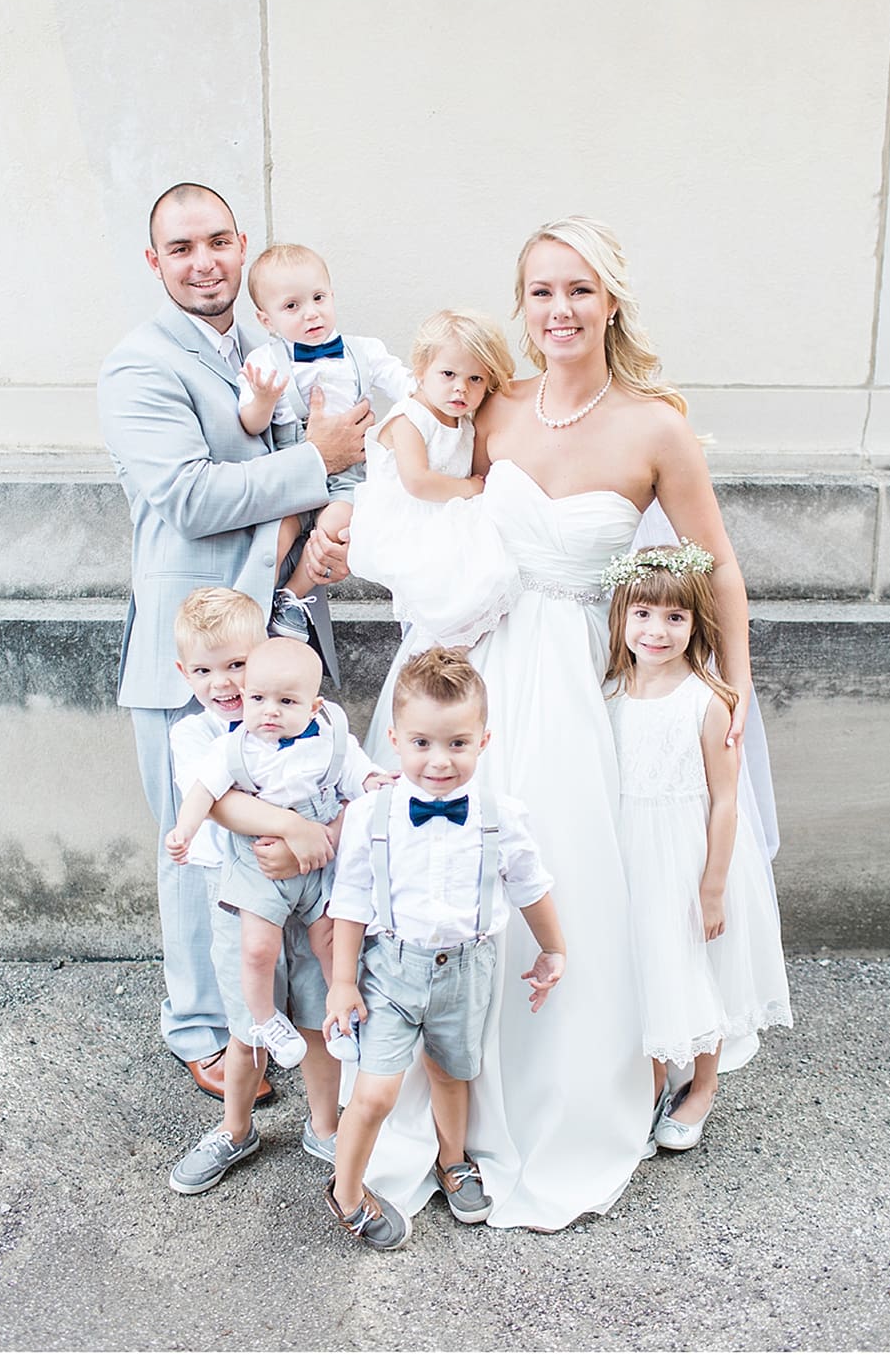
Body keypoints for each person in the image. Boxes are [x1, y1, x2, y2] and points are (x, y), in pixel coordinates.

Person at [358, 215, 761, 1231]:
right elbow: (413, 493)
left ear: (611, 301)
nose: (559, 309)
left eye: (579, 289)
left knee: (575, 869)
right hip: (481, 670)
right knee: (459, 861)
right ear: (522, 305)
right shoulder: (491, 408)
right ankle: (449, 1098)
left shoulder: (655, 427)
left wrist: (736, 684)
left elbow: (714, 564)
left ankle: (574, 1086)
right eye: (541, 291)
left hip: (586, 678)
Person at [98, 182, 373, 1103]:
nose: (204, 261)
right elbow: (191, 498)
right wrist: (316, 461)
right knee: (197, 847)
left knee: (290, 827)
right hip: (196, 654)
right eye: (181, 247)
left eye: (218, 240)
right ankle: (199, 1027)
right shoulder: (138, 367)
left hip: (286, 635)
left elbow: (335, 465)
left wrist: (328, 527)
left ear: (241, 243)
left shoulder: (279, 340)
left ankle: (278, 1022)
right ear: (155, 261)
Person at [323, 649, 567, 1250]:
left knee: (452, 1072)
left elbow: (530, 885)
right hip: (390, 968)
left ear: (484, 740)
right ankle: (347, 1192)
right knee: (376, 1090)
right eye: (422, 743)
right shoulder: (370, 814)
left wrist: (553, 949)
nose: (439, 760)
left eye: (457, 744)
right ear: (394, 740)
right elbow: (350, 900)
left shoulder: (501, 815)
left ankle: (452, 1159)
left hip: (467, 968)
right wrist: (342, 981)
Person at [603, 543, 793, 1152]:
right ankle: (655, 1078)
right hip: (632, 853)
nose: (656, 631)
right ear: (621, 616)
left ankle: (702, 1086)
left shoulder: (708, 702)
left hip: (689, 856)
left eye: (674, 617)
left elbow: (726, 800)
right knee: (648, 966)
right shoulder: (610, 693)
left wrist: (712, 886)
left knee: (696, 966)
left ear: (696, 622)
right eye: (642, 614)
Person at [165, 637, 387, 1067]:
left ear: (314, 707)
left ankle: (343, 1016)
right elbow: (203, 792)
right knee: (257, 949)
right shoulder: (233, 748)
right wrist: (184, 831)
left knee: (330, 941)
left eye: (286, 702)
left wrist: (373, 782)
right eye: (258, 699)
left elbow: (359, 776)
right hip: (258, 859)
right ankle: (265, 1020)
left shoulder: (330, 740)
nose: (270, 711)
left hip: (319, 858)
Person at [238, 243, 415, 639]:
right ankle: (248, 603)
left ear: (332, 295)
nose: (311, 313)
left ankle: (291, 598)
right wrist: (263, 400)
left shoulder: (363, 351)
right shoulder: (264, 363)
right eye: (292, 306)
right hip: (291, 474)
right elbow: (250, 423)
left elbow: (404, 384)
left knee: (337, 526)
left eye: (319, 298)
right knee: (277, 534)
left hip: (348, 474)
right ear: (266, 319)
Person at [348, 308, 523, 650]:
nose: (461, 388)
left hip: (445, 516)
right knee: (434, 598)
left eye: (475, 379)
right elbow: (418, 481)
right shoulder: (410, 418)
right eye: (448, 374)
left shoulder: (464, 421)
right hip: (409, 521)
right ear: (420, 369)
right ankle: (428, 649)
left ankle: (461, 647)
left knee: (486, 575)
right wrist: (471, 487)